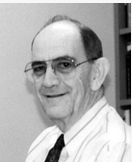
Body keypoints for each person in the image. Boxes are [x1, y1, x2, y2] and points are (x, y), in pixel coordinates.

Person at [24, 15, 131, 162]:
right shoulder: (42, 145)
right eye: (39, 68)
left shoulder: (122, 152)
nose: (48, 82)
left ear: (97, 74)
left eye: (65, 65)